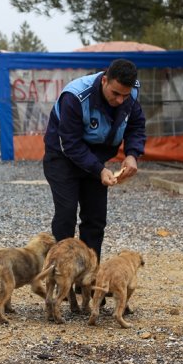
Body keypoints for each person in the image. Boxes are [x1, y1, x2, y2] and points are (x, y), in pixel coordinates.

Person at [42, 59, 146, 262]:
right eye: (115, 93)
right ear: (105, 80)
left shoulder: (130, 96)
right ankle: (62, 271)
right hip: (62, 156)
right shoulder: (75, 96)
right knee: (66, 215)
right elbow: (70, 143)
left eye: (125, 95)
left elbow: (136, 125)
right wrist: (99, 170)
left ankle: (87, 277)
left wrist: (132, 154)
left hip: (97, 157)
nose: (119, 100)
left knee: (95, 218)